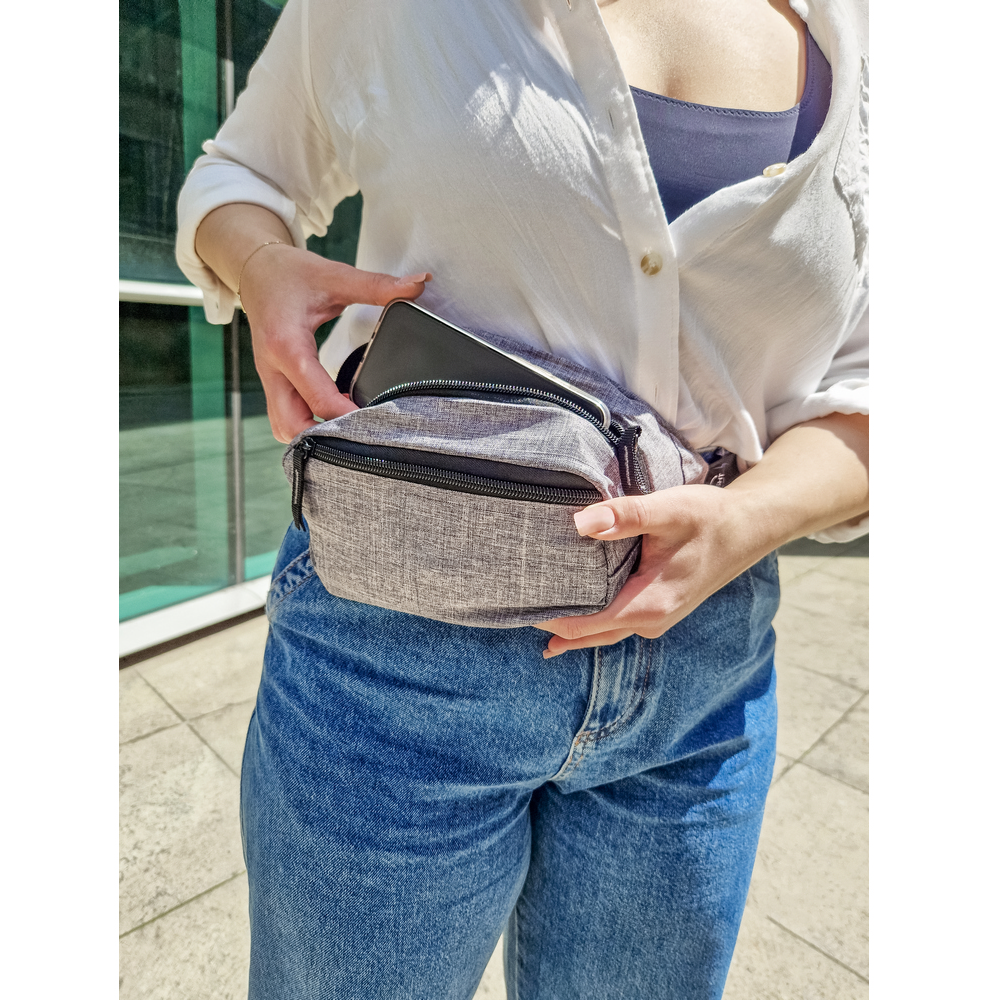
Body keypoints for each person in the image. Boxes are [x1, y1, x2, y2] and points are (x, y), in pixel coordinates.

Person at [176, 0, 868, 996]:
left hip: (700, 675)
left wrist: (751, 518)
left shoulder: (867, 41)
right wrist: (260, 265)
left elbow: (877, 386)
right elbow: (240, 176)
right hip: (394, 652)